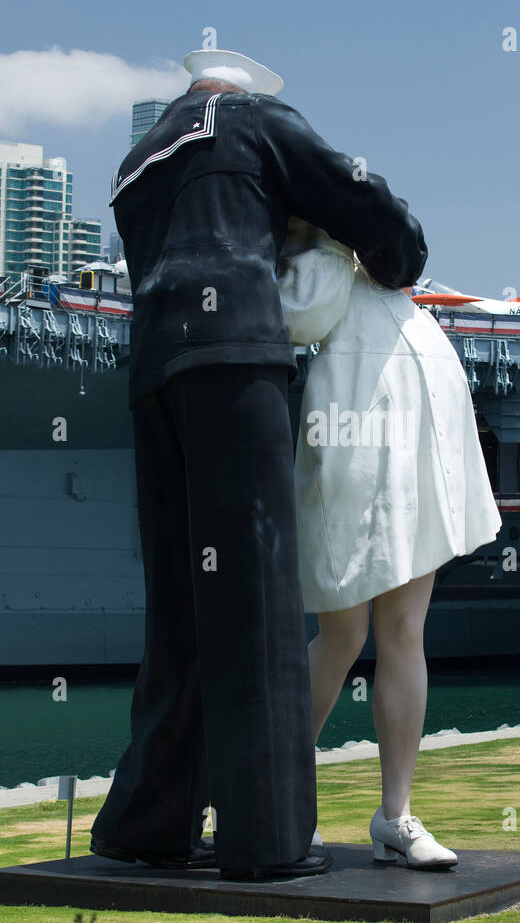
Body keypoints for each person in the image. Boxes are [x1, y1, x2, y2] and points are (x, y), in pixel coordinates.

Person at [90, 49, 427, 880]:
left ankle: (147, 820)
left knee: (181, 602)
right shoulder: (258, 122)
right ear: (245, 87)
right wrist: (398, 256)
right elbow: (366, 201)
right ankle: (268, 838)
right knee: (260, 596)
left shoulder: (139, 161)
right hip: (235, 359)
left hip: (153, 375)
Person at [278, 238, 501, 869]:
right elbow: (297, 318)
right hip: (361, 445)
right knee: (343, 634)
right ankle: (279, 795)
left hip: (415, 448)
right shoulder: (331, 263)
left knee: (404, 632)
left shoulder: (387, 277)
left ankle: (396, 814)